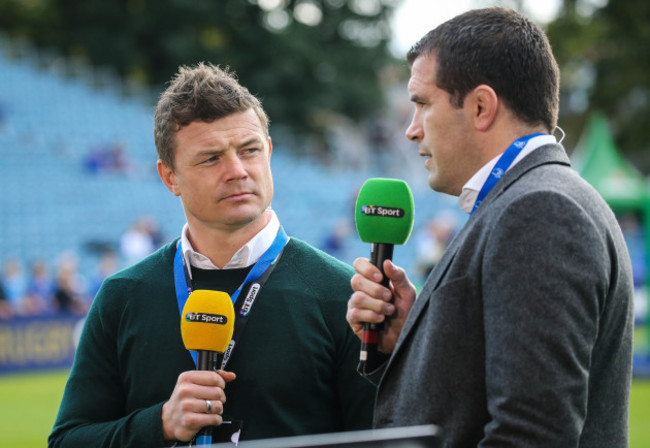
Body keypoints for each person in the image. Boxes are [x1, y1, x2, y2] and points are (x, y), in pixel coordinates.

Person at [346, 7, 634, 447]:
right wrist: (414, 341)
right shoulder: (532, 198)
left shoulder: (540, 209)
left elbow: (531, 433)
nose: (410, 130)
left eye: (422, 104)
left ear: (481, 107)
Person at [49, 62, 374, 448]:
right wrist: (160, 425)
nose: (237, 170)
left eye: (249, 150)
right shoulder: (123, 296)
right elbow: (68, 440)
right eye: (211, 158)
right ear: (169, 177)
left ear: (268, 152)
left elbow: (380, 440)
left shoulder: (343, 295)